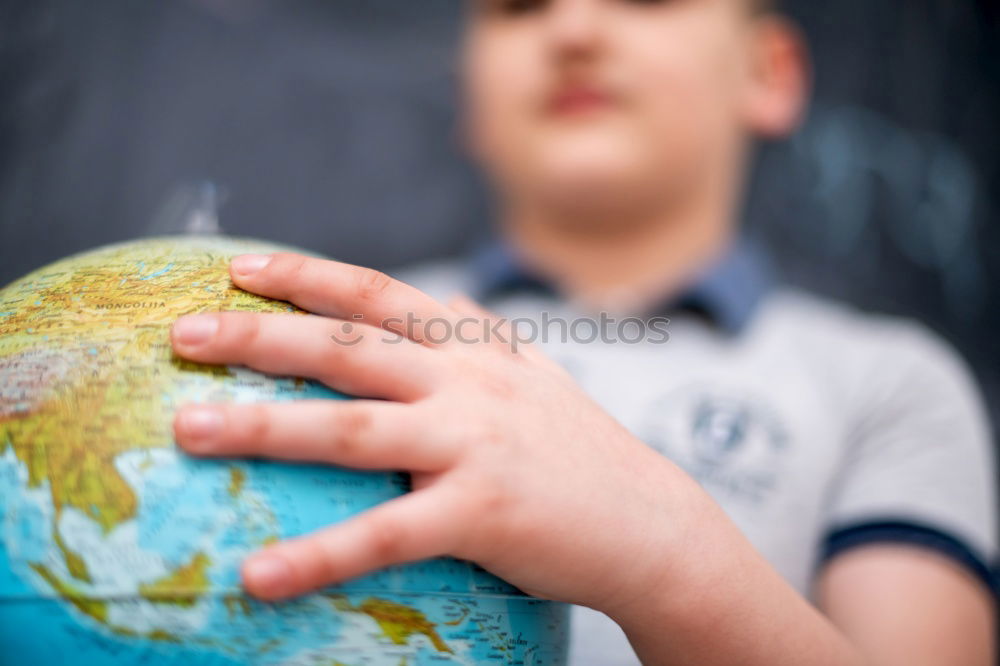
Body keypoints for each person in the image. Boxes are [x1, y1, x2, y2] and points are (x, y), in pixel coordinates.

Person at [168, 0, 997, 663]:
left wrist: (657, 549)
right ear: (472, 101)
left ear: (768, 71)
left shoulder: (891, 385)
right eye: (521, 7)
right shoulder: (329, 343)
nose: (573, 26)